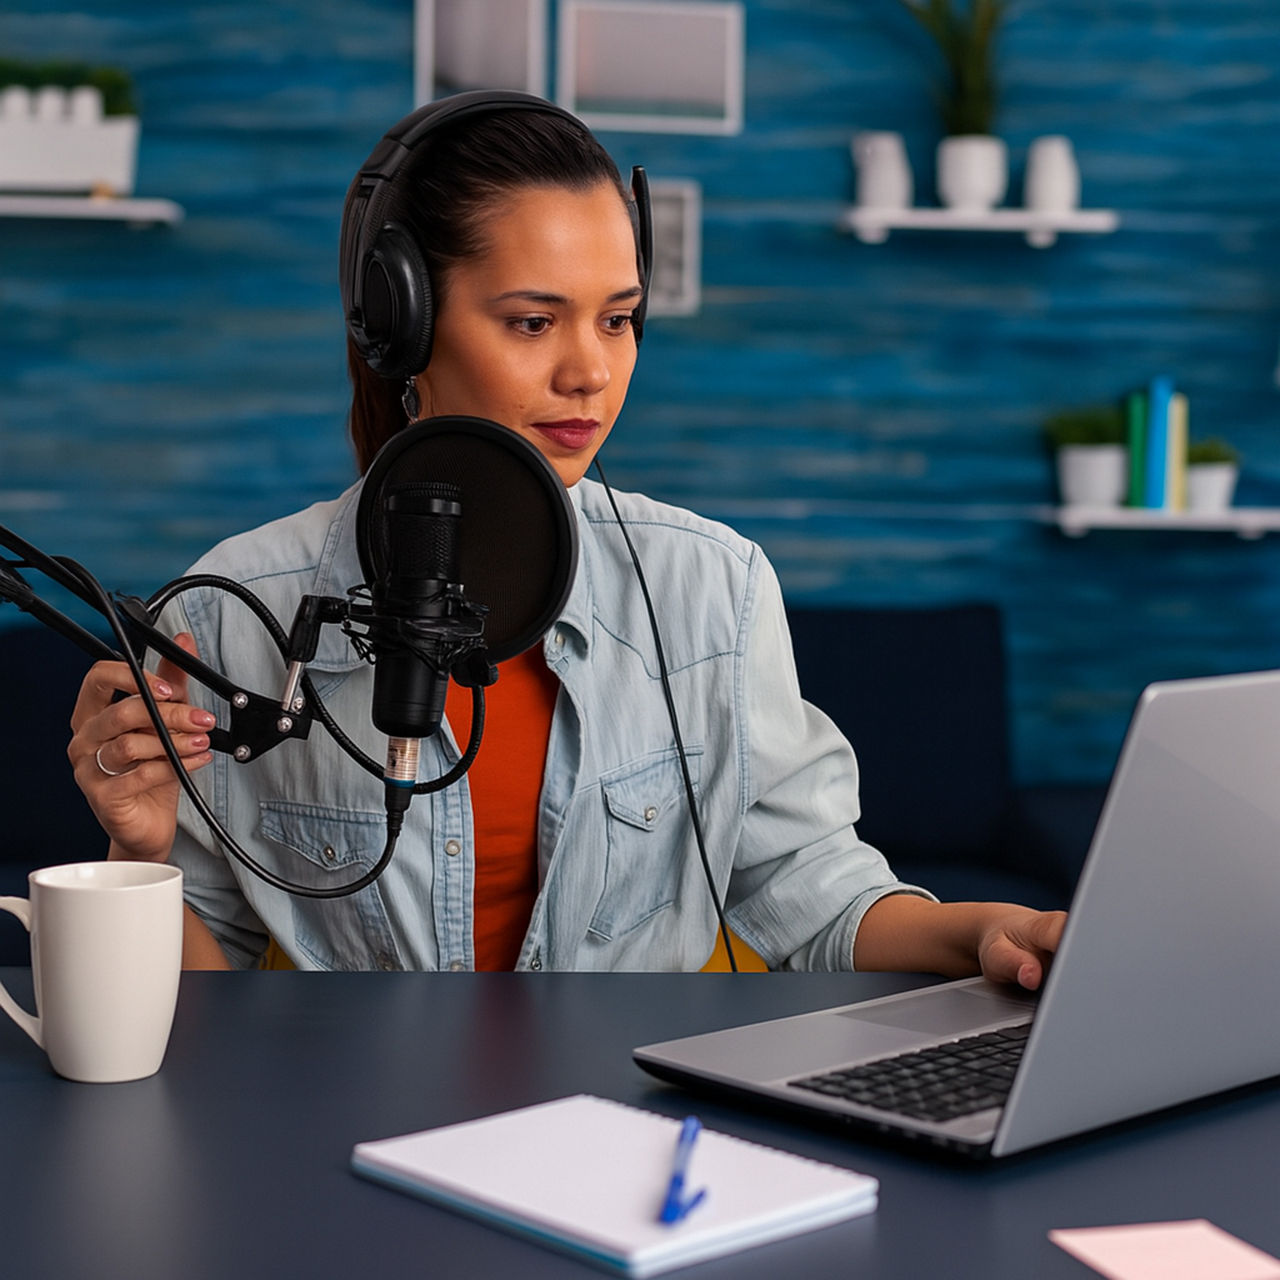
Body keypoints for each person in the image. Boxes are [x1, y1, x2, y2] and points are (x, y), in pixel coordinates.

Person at [67, 91, 1065, 979]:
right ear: (402, 324)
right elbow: (205, 1000)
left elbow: (815, 894)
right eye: (533, 322)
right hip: (353, 1115)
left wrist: (985, 930)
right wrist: (137, 856)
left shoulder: (713, 590)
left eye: (617, 319)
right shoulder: (232, 612)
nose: (591, 372)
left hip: (626, 1116)